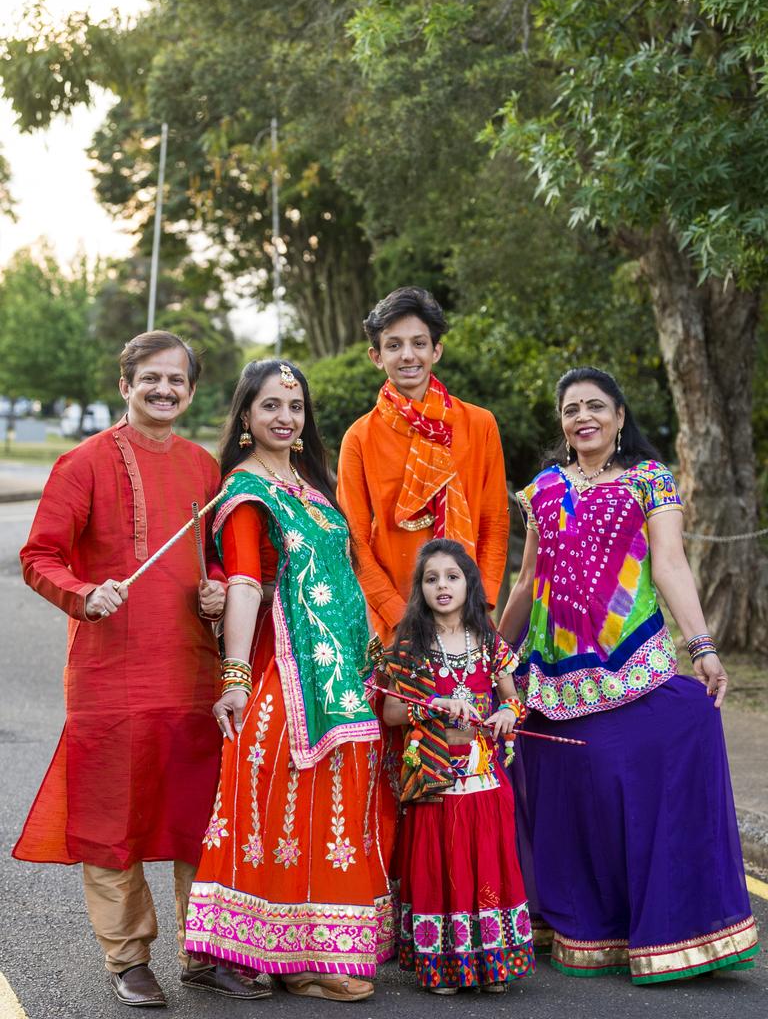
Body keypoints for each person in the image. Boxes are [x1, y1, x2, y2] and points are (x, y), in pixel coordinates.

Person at [15, 331, 266, 1007]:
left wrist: (216, 588)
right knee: (110, 820)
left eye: (176, 381)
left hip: (190, 672)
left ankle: (205, 952)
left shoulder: (205, 472)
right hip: (109, 677)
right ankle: (127, 958)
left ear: (189, 391)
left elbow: (215, 559)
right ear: (125, 385)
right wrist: (84, 594)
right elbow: (39, 556)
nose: (164, 390)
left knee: (198, 818)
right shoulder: (82, 463)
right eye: (150, 379)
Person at [500, 366, 759, 984]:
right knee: (570, 800)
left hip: (631, 664)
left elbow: (670, 564)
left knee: (671, 749)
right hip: (554, 674)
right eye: (571, 409)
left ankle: (675, 925)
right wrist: (490, 655)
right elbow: (528, 581)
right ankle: (582, 928)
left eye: (596, 406)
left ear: (619, 418)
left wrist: (702, 647)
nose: (582, 417)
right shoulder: (541, 491)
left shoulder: (650, 481)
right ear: (563, 426)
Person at [184, 359, 395, 1002]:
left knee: (337, 803)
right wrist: (238, 678)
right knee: (282, 806)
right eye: (270, 405)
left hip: (343, 676)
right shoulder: (246, 491)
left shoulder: (310, 485)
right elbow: (245, 583)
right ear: (245, 416)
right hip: (286, 676)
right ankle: (261, 950)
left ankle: (314, 948)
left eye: (295, 406)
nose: (284, 416)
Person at [381, 538, 535, 995]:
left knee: (488, 863)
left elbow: (512, 699)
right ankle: (444, 966)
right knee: (439, 865)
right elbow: (391, 712)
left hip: (484, 776)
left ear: (469, 584)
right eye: (431, 579)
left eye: (452, 577)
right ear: (420, 589)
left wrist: (509, 712)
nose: (442, 586)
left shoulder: (488, 639)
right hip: (433, 777)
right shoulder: (409, 645)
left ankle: (493, 962)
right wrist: (433, 703)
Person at [337, 287, 509, 647]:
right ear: (376, 356)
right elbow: (354, 542)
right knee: (398, 706)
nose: (408, 355)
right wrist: (400, 617)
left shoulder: (479, 424)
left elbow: (494, 522)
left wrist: (482, 600)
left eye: (419, 343)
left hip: (470, 616)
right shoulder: (360, 438)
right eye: (394, 345)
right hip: (396, 624)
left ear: (437, 350)